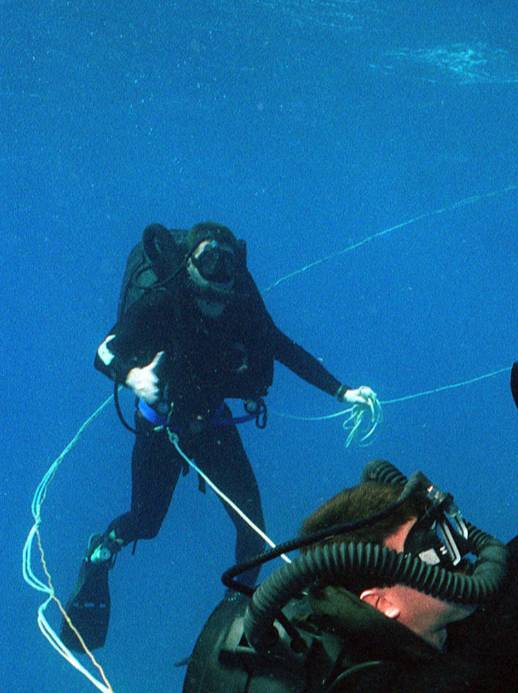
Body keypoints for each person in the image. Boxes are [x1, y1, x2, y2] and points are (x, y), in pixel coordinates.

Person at [183, 361, 518, 692]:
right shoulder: (386, 686)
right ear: (381, 603)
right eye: (425, 551)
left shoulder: (418, 629)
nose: (452, 559)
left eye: (436, 535)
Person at [61, 221, 373, 651]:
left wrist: (343, 391)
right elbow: (104, 351)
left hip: (212, 424)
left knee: (254, 530)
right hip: (160, 426)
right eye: (209, 260)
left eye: (226, 264)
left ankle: (235, 617)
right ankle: (102, 550)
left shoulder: (241, 306)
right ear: (189, 265)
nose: (218, 276)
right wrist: (131, 376)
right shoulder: (162, 302)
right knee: (146, 523)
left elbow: (285, 349)